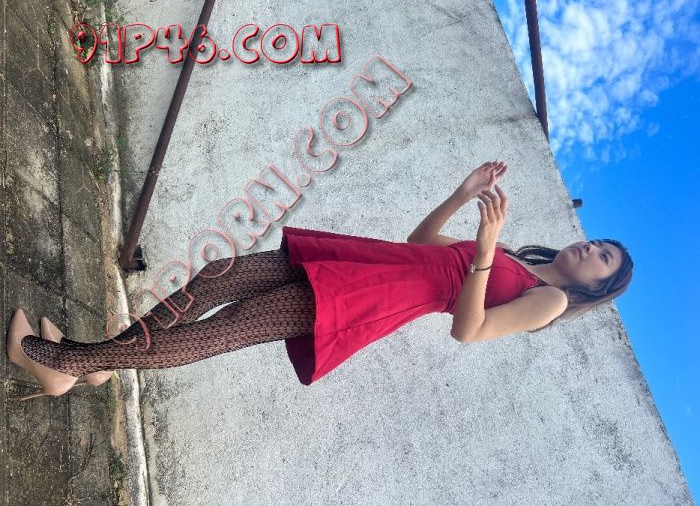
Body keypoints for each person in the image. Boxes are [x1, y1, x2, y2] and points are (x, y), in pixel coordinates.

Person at [6, 161, 633, 400]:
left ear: (598, 287)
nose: (591, 247)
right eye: (598, 242)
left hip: (371, 298)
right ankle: (101, 362)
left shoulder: (549, 299)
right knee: (219, 275)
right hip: (368, 264)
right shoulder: (516, 256)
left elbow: (469, 330)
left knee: (224, 329)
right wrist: (459, 195)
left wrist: (486, 251)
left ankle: (65, 363)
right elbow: (422, 245)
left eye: (602, 258)